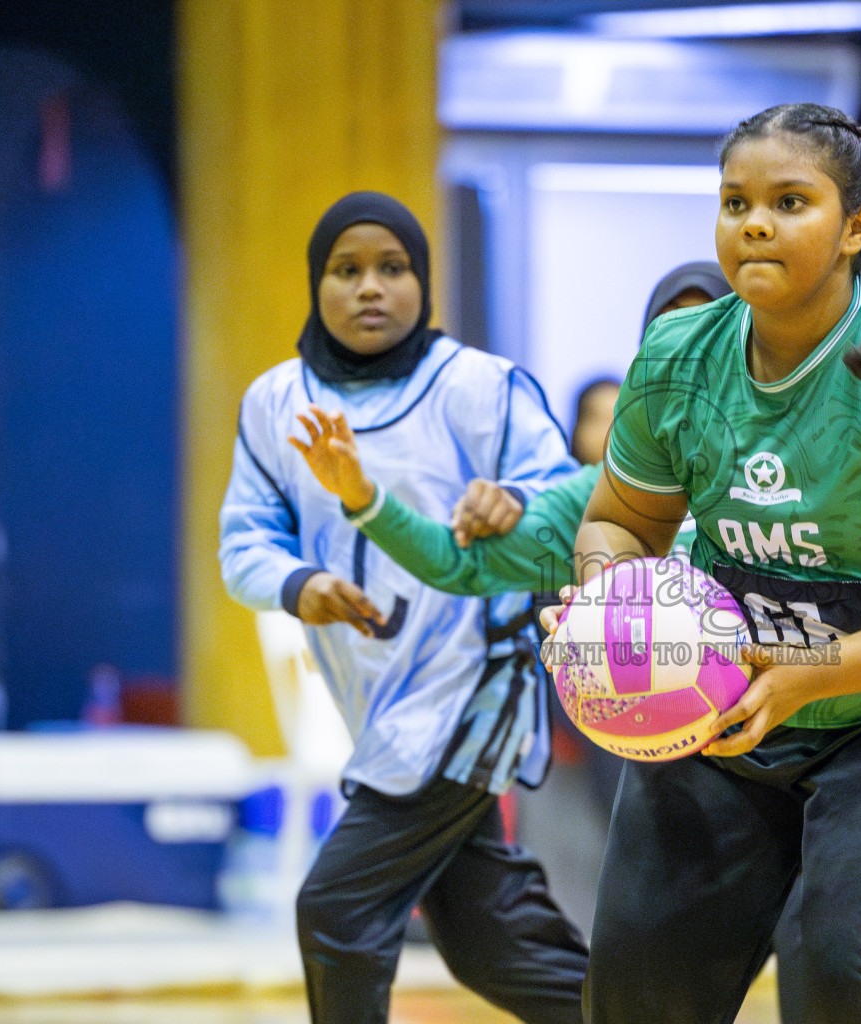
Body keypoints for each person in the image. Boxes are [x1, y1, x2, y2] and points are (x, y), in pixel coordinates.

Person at [578, 101, 861, 1024]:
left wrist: (805, 675)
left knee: (837, 985)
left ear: (855, 227)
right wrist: (610, 597)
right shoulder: (675, 357)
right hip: (728, 703)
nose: (754, 223)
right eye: (736, 201)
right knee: (635, 994)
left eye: (789, 202)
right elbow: (619, 522)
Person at [217, 191, 588, 1024]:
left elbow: (570, 494)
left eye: (393, 268)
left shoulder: (482, 387)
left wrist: (515, 504)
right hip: (377, 703)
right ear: (317, 284)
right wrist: (298, 585)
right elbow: (242, 545)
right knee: (493, 942)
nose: (370, 288)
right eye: (347, 271)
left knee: (336, 908)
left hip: (475, 684)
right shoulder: (276, 404)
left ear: (424, 280)